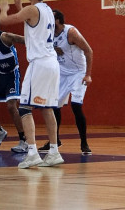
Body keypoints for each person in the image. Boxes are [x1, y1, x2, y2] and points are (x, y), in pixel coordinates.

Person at [0, 0, 63, 169]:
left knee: (25, 108)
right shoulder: (48, 11)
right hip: (52, 63)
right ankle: (53, 152)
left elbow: (5, 21)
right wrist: (20, 6)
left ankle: (33, 152)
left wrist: (4, 8)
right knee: (47, 108)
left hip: (39, 63)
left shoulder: (31, 10)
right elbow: (32, 28)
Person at [38, 9, 93, 155]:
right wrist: (55, 49)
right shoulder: (48, 32)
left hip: (78, 73)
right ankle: (55, 140)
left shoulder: (71, 32)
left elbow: (89, 51)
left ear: (57, 20)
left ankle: (84, 143)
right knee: (53, 106)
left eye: (50, 17)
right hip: (61, 72)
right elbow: (44, 46)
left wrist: (88, 75)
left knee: (76, 106)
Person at [0, 17, 28, 153]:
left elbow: (24, 40)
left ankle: (23, 141)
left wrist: (43, 45)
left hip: (12, 74)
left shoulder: (6, 37)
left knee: (11, 106)